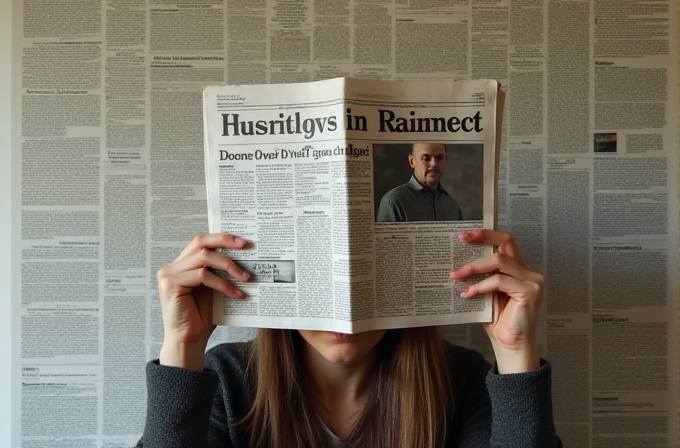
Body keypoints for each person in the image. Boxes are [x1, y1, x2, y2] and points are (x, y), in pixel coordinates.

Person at [139, 229, 562, 448]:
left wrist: (515, 352)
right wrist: (183, 345)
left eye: (368, 275)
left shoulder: (463, 380)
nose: (344, 307)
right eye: (320, 278)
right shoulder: (226, 378)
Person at [376, 142, 463, 222]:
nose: (434, 164)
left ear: (445, 161)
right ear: (412, 161)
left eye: (439, 158)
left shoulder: (453, 205)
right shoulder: (393, 201)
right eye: (426, 158)